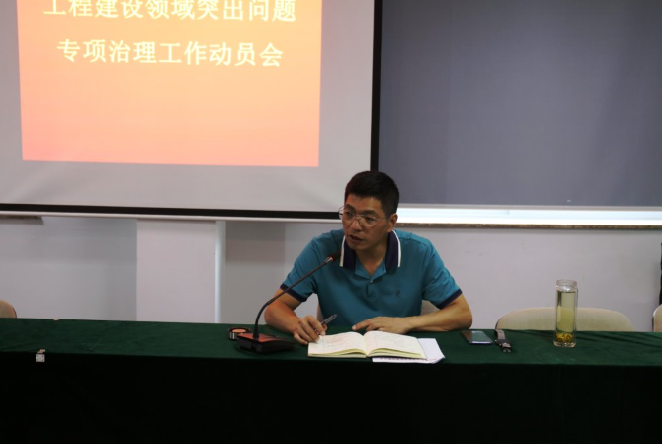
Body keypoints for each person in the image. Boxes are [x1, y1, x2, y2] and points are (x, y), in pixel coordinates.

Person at [264, 170, 472, 345]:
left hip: (398, 356)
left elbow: (462, 314)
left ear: (391, 222)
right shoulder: (322, 250)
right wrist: (296, 325)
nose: (355, 225)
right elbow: (274, 309)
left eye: (369, 218)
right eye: (349, 214)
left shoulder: (419, 252)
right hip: (340, 356)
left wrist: (407, 323)